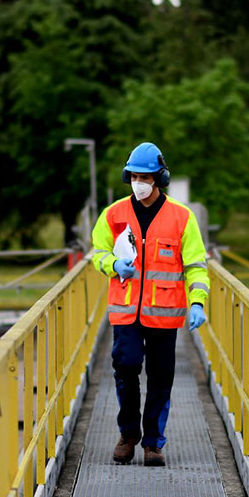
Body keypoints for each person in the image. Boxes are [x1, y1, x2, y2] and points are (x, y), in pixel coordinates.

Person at [91, 142, 209, 467]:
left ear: (160, 178)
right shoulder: (113, 215)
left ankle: (153, 444)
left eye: (145, 177)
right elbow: (98, 252)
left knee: (160, 378)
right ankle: (128, 437)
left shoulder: (182, 218)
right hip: (126, 311)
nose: (138, 182)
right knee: (125, 369)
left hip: (164, 314)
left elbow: (196, 266)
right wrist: (113, 265)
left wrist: (197, 302)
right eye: (133, 176)